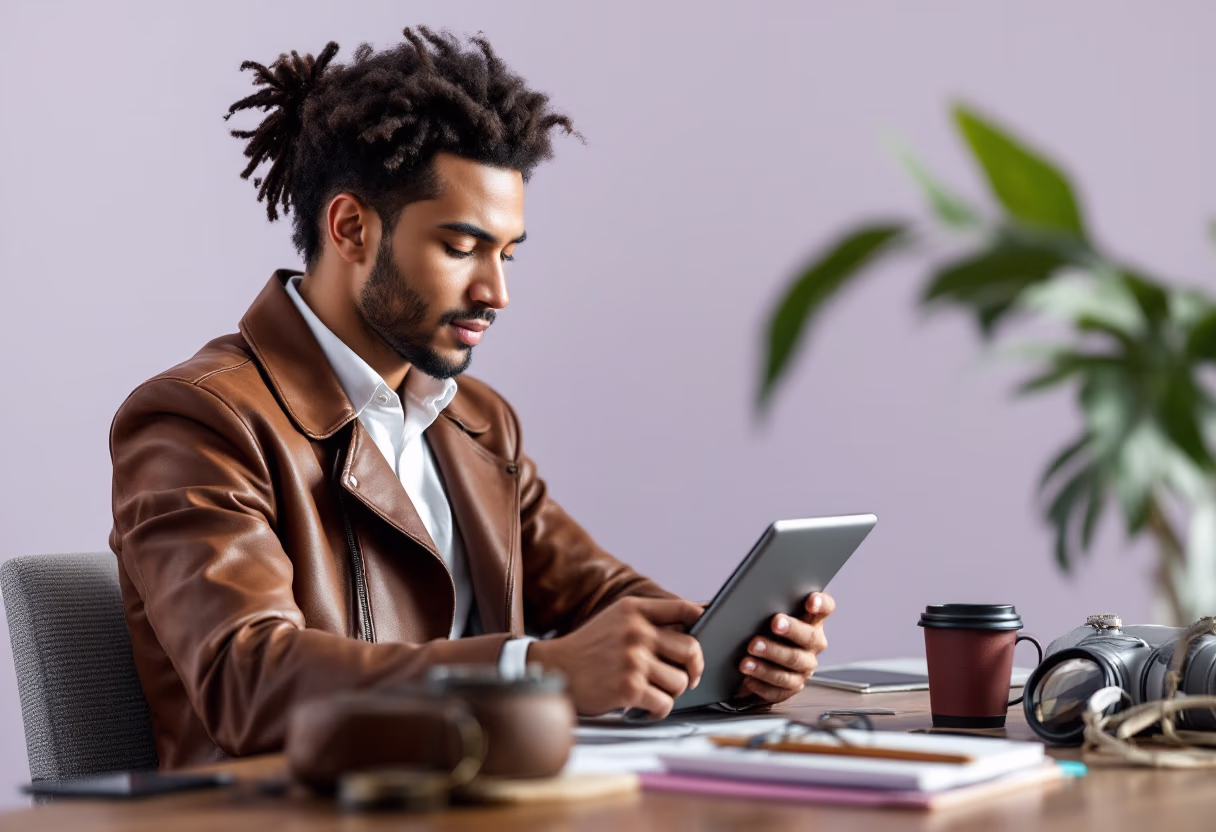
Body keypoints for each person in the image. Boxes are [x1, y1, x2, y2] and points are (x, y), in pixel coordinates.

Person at [109, 27, 835, 769]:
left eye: (507, 253)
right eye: (461, 248)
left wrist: (731, 654)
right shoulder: (199, 419)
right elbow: (248, 681)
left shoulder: (476, 422)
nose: (497, 293)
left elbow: (602, 598)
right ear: (351, 229)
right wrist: (536, 671)